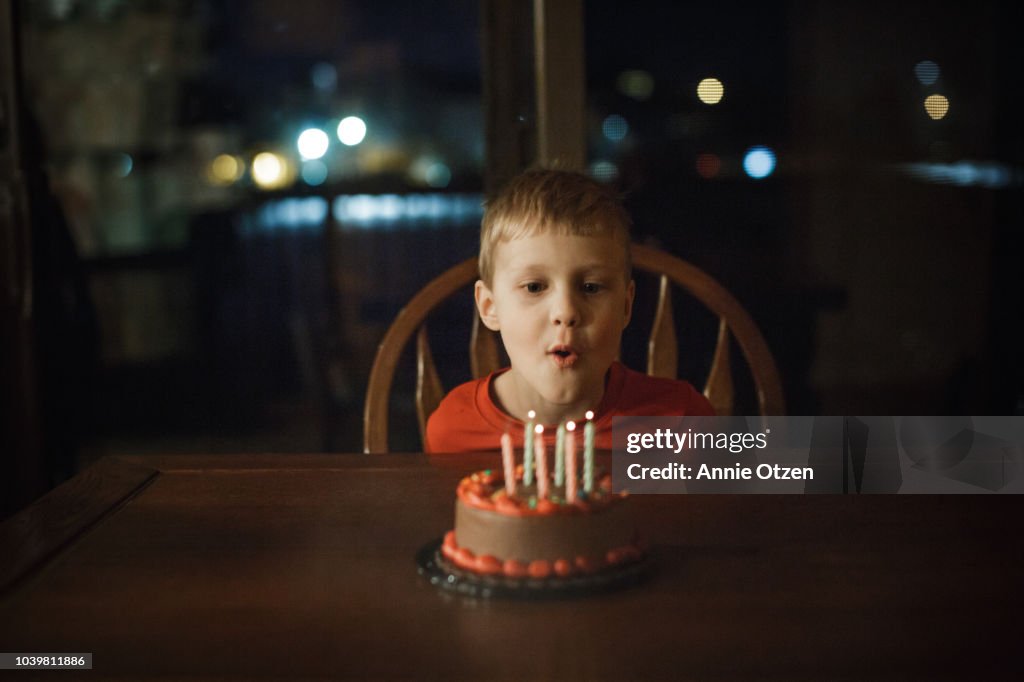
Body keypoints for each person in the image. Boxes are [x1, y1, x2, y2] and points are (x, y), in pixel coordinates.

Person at [425, 168, 714, 453]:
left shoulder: (683, 421)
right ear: (490, 307)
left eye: (590, 287)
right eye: (534, 287)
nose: (565, 312)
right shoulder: (454, 431)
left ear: (625, 306)